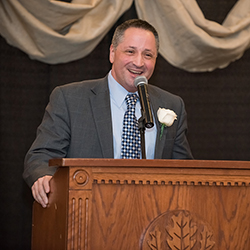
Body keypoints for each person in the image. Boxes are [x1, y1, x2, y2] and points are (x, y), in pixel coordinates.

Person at [23, 19, 193, 208]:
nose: (139, 62)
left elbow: (184, 169)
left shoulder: (172, 104)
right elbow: (42, 155)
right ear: (112, 53)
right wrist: (44, 177)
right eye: (130, 51)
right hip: (88, 213)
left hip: (152, 217)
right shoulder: (70, 99)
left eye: (148, 55)